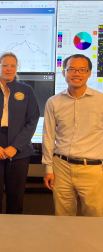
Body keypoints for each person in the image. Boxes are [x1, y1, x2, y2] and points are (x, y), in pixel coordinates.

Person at [0, 52, 40, 214]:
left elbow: (32, 120)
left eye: (13, 65)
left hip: (19, 147)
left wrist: (16, 147)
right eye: (5, 65)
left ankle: (14, 231)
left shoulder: (27, 90)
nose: (9, 69)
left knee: (16, 195)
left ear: (17, 68)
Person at [42, 54, 103, 216]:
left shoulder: (101, 101)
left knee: (95, 219)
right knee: (63, 219)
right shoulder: (53, 102)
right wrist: (48, 168)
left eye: (82, 70)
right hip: (61, 168)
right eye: (72, 69)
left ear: (89, 73)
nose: (77, 73)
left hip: (93, 170)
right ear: (64, 72)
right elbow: (48, 137)